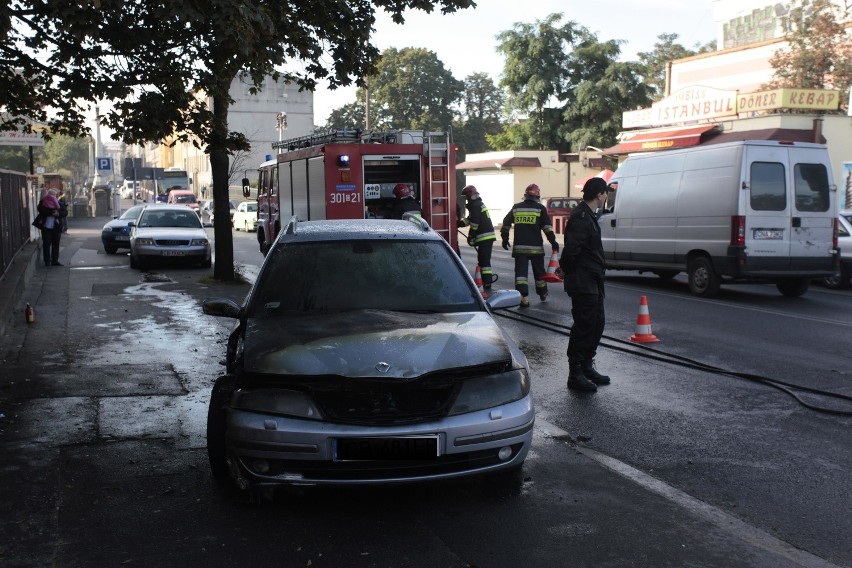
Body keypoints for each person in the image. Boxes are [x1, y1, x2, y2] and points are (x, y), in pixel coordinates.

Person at [559, 177, 613, 392]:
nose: (606, 197)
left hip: (592, 280)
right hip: (582, 282)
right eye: (605, 193)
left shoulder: (589, 216)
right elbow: (572, 250)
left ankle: (587, 366)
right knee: (583, 326)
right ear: (600, 194)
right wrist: (566, 270)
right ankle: (575, 373)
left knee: (597, 323)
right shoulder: (581, 217)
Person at [500, 183, 560, 307]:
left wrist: (504, 238)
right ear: (538, 196)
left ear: (525, 195)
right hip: (536, 249)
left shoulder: (516, 207)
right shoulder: (540, 209)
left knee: (521, 274)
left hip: (520, 249)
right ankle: (543, 293)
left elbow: (506, 222)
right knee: (539, 273)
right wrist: (553, 242)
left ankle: (521, 296)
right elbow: (547, 228)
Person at [458, 185, 497, 289]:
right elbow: (470, 219)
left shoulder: (475, 205)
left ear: (470, 196)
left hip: (485, 237)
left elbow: (475, 223)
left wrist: (471, 236)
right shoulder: (477, 204)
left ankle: (487, 282)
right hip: (486, 236)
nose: (466, 199)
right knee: (483, 259)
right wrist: (459, 223)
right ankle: (486, 280)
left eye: (466, 196)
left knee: (484, 260)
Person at [36, 189, 66, 266]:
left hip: (56, 227)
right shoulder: (43, 203)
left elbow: (65, 212)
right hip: (46, 227)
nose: (53, 197)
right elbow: (40, 210)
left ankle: (55, 261)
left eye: (54, 196)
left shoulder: (59, 203)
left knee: (56, 244)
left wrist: (58, 214)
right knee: (46, 244)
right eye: (51, 195)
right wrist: (52, 213)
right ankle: (47, 261)